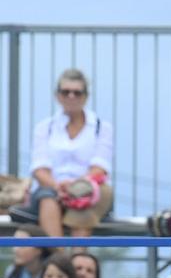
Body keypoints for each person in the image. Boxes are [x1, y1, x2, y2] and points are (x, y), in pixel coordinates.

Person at [20, 69, 114, 238]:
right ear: (58, 96)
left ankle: (77, 259)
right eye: (66, 92)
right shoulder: (45, 127)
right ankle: (59, 260)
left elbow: (100, 168)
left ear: (85, 96)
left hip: (88, 189)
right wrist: (59, 187)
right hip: (51, 190)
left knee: (84, 200)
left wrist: (76, 186)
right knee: (48, 198)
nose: (71, 97)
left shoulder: (101, 128)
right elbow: (40, 169)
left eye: (77, 93)